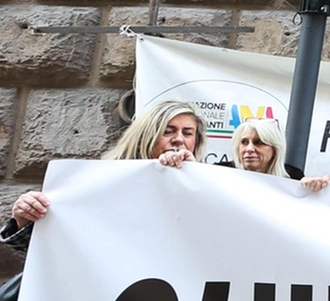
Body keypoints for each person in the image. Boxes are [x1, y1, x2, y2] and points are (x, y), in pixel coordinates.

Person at [4, 100, 208, 252]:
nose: (179, 140)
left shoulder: (208, 187)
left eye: (188, 133)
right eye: (168, 131)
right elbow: (50, 249)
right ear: (146, 136)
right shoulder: (101, 181)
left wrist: (194, 180)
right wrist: (24, 218)